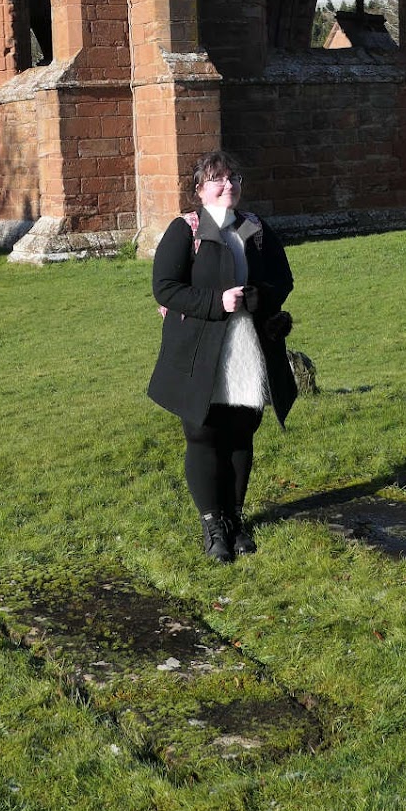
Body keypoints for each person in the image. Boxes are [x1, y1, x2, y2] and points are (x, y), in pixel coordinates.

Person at [148, 150, 296, 562]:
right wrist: (218, 301)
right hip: (198, 352)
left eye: (233, 178)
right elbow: (165, 287)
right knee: (203, 434)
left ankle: (236, 519)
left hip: (248, 350)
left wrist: (258, 296)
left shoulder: (256, 227)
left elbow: (282, 279)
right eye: (217, 179)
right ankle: (213, 525)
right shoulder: (185, 230)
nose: (227, 185)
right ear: (200, 189)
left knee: (241, 433)